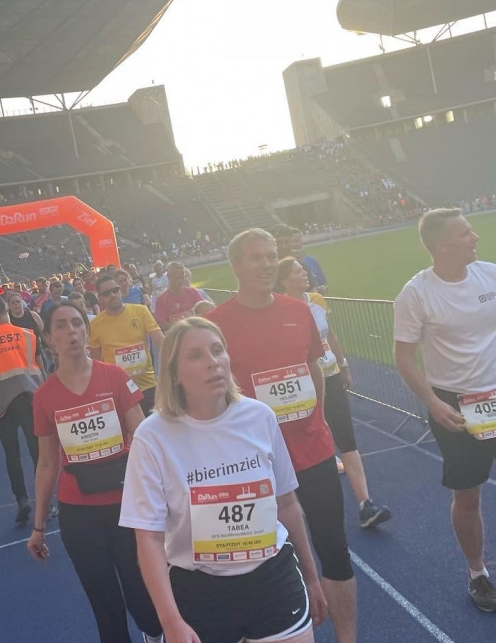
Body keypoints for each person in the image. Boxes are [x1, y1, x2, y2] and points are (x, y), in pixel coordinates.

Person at [120, 317, 327, 643]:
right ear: (173, 372)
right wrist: (170, 620)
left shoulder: (260, 417)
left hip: (273, 578)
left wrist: (313, 578)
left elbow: (287, 503)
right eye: (195, 355)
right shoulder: (152, 437)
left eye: (217, 350)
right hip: (199, 588)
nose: (212, 362)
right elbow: (147, 538)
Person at [393, 207, 496, 612]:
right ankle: (478, 573)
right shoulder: (416, 293)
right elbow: (405, 356)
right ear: (442, 245)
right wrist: (431, 402)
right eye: (466, 233)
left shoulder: (492, 274)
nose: (476, 237)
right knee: (468, 497)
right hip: (456, 406)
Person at [205, 229, 357, 643]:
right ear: (236, 266)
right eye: (256, 258)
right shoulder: (215, 324)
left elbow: (311, 369)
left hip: (312, 450)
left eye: (271, 256)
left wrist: (318, 419)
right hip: (253, 463)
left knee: (335, 550)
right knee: (261, 558)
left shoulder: (299, 311)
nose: (267, 264)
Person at [27, 302, 163, 643]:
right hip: (79, 513)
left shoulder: (115, 377)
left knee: (141, 592)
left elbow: (142, 436)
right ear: (48, 338)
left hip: (125, 506)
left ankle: (154, 632)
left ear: (87, 332)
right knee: (104, 602)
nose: (71, 331)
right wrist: (39, 526)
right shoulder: (43, 397)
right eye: (61, 326)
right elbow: (46, 462)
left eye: (77, 323)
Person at [275, 256, 391, 528]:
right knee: (312, 442)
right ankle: (307, 505)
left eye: (304, 270)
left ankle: (365, 504)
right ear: (282, 280)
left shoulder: (317, 300)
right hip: (302, 384)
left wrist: (344, 364)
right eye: (297, 272)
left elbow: (331, 334)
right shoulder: (280, 309)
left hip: (331, 375)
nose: (304, 274)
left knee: (346, 438)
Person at [0, 295, 45, 524]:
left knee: (12, 455)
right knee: (38, 453)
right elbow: (40, 367)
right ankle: (47, 503)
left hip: (3, 406)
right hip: (31, 398)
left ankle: (22, 500)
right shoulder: (28, 335)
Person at [90, 274, 165, 416]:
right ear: (100, 298)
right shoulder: (95, 325)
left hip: (148, 385)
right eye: (106, 293)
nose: (113, 295)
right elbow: (96, 363)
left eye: (115, 290)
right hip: (119, 391)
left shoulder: (140, 311)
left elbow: (161, 342)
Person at [154, 262, 205, 332]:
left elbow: (204, 310)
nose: (180, 281)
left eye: (182, 277)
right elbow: (161, 324)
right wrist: (182, 326)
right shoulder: (162, 299)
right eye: (177, 278)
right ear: (168, 276)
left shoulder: (192, 292)